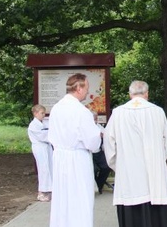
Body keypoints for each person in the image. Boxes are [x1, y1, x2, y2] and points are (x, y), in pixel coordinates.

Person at [103, 80, 167, 227]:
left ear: (130, 94)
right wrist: (158, 161)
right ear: (146, 94)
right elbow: (165, 141)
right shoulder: (158, 111)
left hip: (128, 172)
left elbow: (108, 143)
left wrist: (118, 165)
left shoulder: (118, 113)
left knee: (131, 200)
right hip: (154, 173)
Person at [48, 73, 102, 227]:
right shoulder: (81, 111)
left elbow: (51, 135)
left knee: (62, 198)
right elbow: (92, 142)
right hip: (77, 159)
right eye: (86, 88)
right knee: (80, 198)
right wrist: (98, 136)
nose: (87, 92)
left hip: (60, 157)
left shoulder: (57, 108)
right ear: (78, 88)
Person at [27, 104, 53, 202]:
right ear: (35, 113)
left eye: (44, 113)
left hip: (47, 147)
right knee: (43, 169)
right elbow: (43, 136)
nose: (43, 115)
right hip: (40, 148)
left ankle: (49, 189)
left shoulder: (43, 123)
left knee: (49, 167)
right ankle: (41, 192)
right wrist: (52, 136)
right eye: (42, 113)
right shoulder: (33, 125)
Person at [91, 110, 111, 195]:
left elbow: (107, 134)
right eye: (94, 119)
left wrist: (104, 135)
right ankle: (92, 186)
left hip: (98, 152)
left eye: (96, 118)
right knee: (94, 169)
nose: (95, 120)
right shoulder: (85, 127)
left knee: (106, 166)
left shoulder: (99, 126)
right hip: (89, 152)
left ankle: (99, 185)